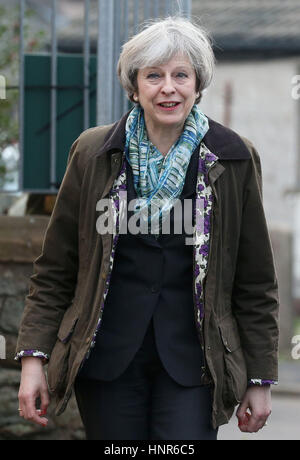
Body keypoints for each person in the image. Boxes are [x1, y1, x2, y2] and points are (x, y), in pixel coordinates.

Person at [16, 16, 279, 440]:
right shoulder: (93, 152)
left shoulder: (232, 158)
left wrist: (260, 379)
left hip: (195, 365)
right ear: (133, 87)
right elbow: (56, 268)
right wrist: (34, 361)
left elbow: (255, 281)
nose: (168, 87)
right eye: (153, 75)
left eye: (181, 75)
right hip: (106, 360)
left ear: (197, 85)